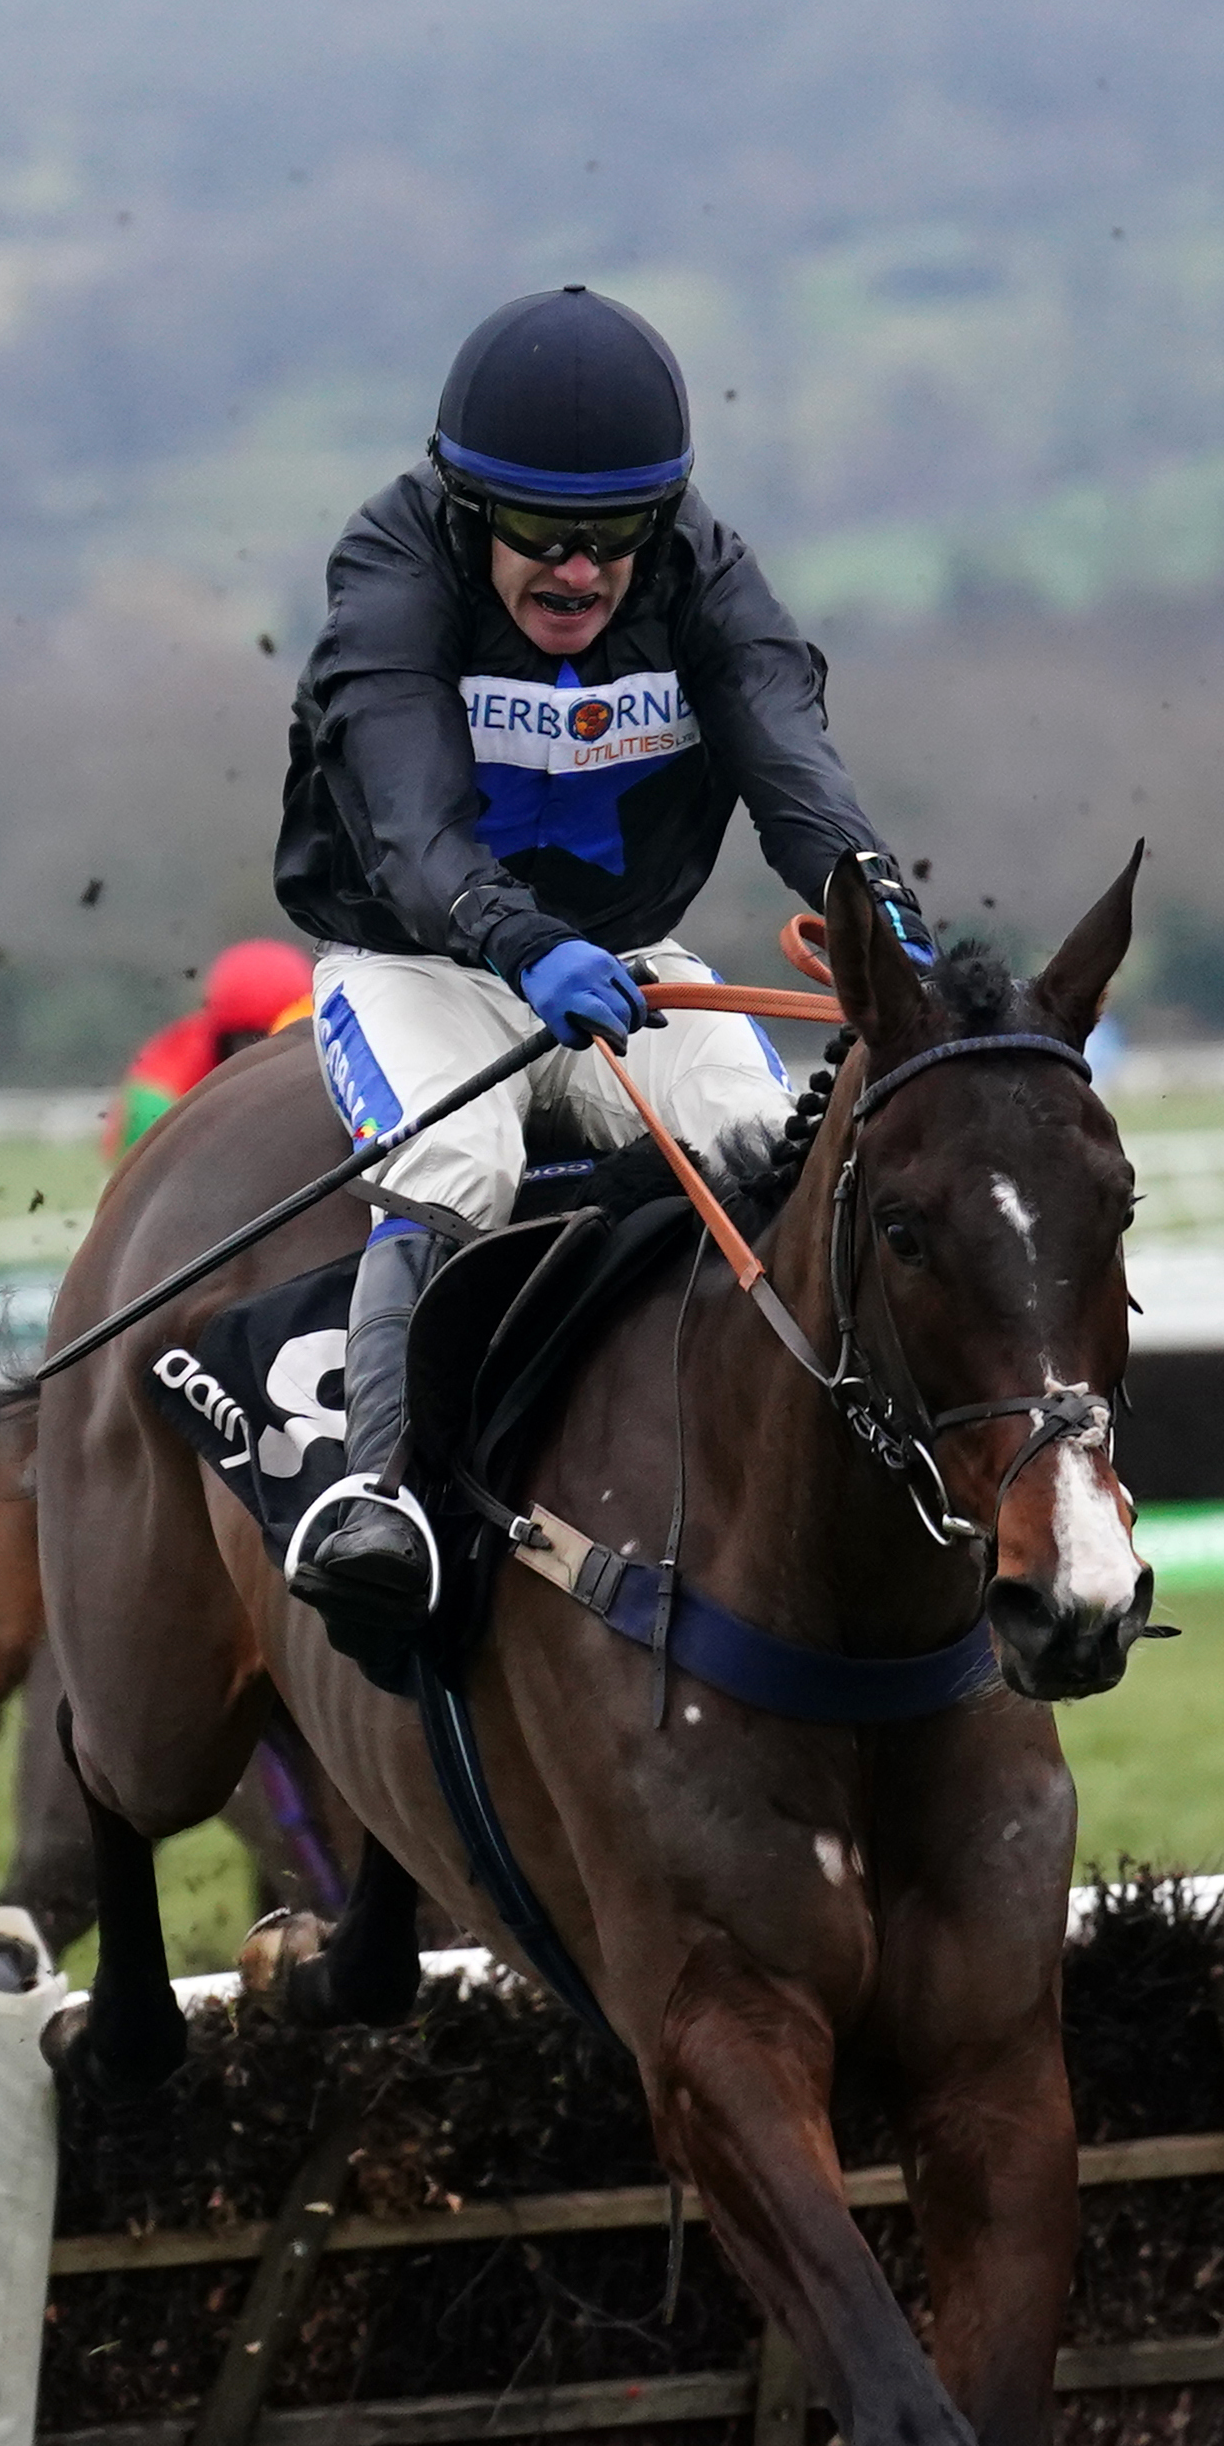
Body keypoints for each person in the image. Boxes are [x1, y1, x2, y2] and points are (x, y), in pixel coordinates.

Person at [266, 283, 929, 1672]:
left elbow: (791, 770)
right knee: (458, 1160)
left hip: (625, 964)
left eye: (617, 537)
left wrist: (874, 906)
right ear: (464, 509)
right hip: (418, 961)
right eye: (540, 535)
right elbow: (409, 824)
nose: (579, 573)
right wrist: (518, 942)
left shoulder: (709, 574)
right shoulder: (390, 567)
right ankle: (374, 1492)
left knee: (765, 1159)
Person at [104, 940, 315, 1162]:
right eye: (246, 1040)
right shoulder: (157, 1097)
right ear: (221, 1036)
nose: (258, 1056)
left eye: (271, 1040)